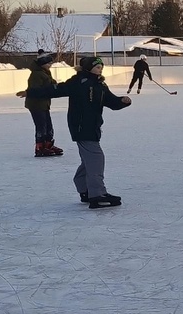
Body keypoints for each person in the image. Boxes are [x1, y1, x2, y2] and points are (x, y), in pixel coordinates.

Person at [27, 54, 132, 208]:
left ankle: (84, 189)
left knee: (88, 161)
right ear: (89, 68)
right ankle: (97, 194)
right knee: (96, 159)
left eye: (101, 67)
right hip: (81, 126)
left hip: (93, 126)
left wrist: (122, 101)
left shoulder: (100, 85)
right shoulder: (78, 82)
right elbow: (56, 90)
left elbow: (111, 102)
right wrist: (31, 92)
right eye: (97, 67)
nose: (100, 70)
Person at [16, 51, 64, 157]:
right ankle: (40, 147)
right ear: (42, 63)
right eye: (48, 63)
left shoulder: (45, 73)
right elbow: (37, 90)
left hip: (44, 103)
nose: (50, 65)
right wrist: (52, 87)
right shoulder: (36, 75)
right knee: (41, 126)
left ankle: (48, 145)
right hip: (36, 104)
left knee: (48, 126)